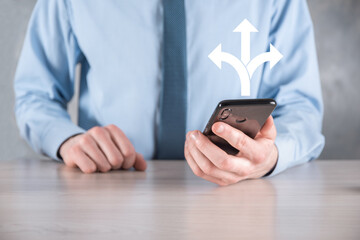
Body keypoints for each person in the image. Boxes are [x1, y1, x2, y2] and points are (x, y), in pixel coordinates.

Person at [14, 0, 324, 186]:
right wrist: (68, 141)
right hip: (108, 190)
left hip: (236, 198)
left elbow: (300, 105)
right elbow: (35, 94)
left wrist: (271, 156)